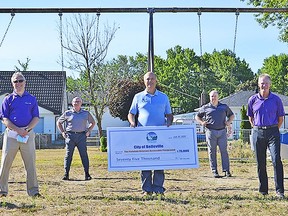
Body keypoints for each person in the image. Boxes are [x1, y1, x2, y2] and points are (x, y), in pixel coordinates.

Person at [128, 71, 173, 196]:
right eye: (148, 79)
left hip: (160, 136)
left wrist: (168, 122)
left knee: (159, 162)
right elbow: (131, 113)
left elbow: (169, 114)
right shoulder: (138, 97)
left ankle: (158, 189)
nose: (150, 81)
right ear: (144, 81)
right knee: (145, 162)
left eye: (152, 79)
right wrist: (132, 123)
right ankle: (146, 189)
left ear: (156, 81)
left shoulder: (164, 97)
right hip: (143, 136)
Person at [0, 72, 41, 197]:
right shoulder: (8, 99)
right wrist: (18, 130)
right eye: (15, 81)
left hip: (27, 134)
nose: (18, 83)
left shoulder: (32, 99)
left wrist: (27, 130)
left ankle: (34, 191)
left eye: (20, 80)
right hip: (12, 135)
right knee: (5, 163)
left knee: (31, 164)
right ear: (12, 84)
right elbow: (4, 118)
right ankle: (2, 191)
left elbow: (36, 117)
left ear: (25, 82)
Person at [247, 74, 285, 199]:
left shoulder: (276, 99)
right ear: (258, 84)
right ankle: (263, 190)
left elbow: (280, 118)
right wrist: (257, 128)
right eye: (262, 83)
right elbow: (251, 118)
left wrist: (273, 129)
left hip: (273, 132)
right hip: (258, 132)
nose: (264, 85)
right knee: (260, 162)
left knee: (276, 160)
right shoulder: (252, 100)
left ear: (270, 84)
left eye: (266, 83)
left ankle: (280, 191)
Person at [195, 90, 234, 178]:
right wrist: (202, 122)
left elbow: (231, 115)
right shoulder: (205, 107)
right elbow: (197, 116)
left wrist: (228, 122)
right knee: (212, 152)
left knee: (224, 151)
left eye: (215, 96)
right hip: (210, 131)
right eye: (212, 96)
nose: (214, 98)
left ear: (218, 97)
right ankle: (214, 171)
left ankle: (226, 170)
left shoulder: (224, 107)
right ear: (210, 97)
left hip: (222, 131)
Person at [57, 97, 95, 181]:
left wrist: (88, 130)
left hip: (82, 136)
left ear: (81, 103)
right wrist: (63, 132)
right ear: (72, 103)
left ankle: (87, 174)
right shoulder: (68, 113)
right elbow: (59, 122)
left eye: (78, 101)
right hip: (70, 136)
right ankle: (66, 174)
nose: (76, 103)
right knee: (68, 155)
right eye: (74, 101)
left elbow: (93, 122)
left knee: (84, 155)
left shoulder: (86, 113)